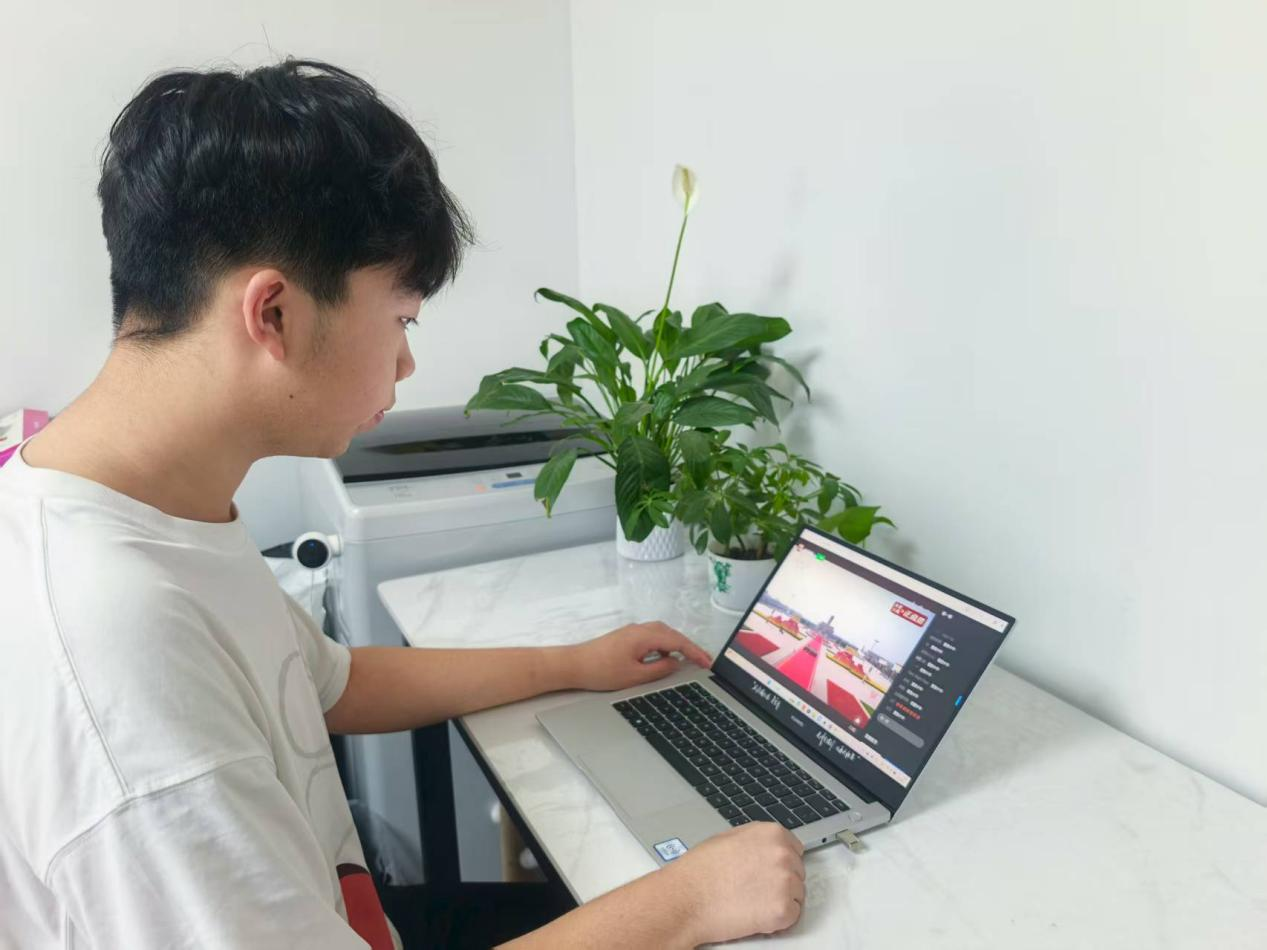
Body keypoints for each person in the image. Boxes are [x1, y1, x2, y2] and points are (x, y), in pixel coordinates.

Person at [0, 59, 806, 949]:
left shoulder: (157, 509)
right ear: (273, 315)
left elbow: (325, 680)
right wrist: (688, 903)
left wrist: (571, 662)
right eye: (402, 319)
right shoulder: (112, 648)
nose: (407, 362)